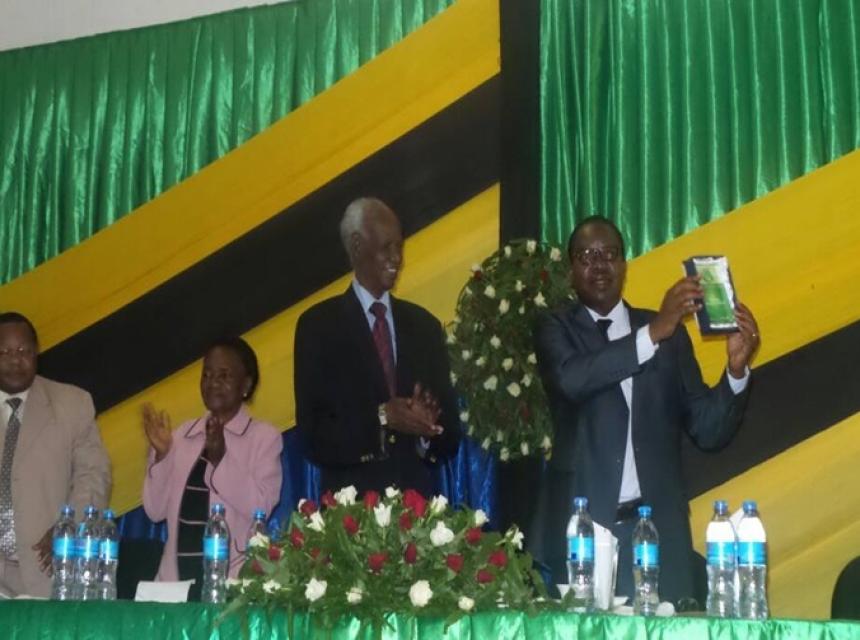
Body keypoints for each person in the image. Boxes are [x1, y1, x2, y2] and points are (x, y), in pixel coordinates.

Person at [530, 216, 760, 606]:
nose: (599, 264)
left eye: (610, 254)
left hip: (659, 533)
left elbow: (708, 430)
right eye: (587, 256)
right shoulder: (555, 327)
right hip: (585, 537)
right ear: (571, 269)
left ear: (624, 265)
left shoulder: (669, 335)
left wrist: (735, 372)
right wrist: (653, 332)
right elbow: (573, 380)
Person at [294, 197, 461, 497]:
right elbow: (313, 436)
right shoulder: (318, 327)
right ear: (357, 246)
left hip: (417, 519)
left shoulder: (425, 327)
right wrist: (382, 417)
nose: (397, 258)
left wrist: (428, 430)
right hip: (349, 522)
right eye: (387, 247)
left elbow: (450, 437)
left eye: (400, 246)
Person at [142, 337, 282, 599]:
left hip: (230, 590)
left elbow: (260, 507)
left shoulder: (264, 438)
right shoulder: (181, 436)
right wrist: (161, 455)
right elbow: (154, 510)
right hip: (171, 591)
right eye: (206, 375)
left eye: (223, 375)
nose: (212, 382)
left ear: (246, 385)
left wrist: (221, 458)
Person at [0, 311, 111, 597]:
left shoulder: (72, 403)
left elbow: (94, 475)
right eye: (5, 351)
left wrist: (68, 527)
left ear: (37, 353)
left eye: (24, 350)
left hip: (46, 571)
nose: (15, 359)